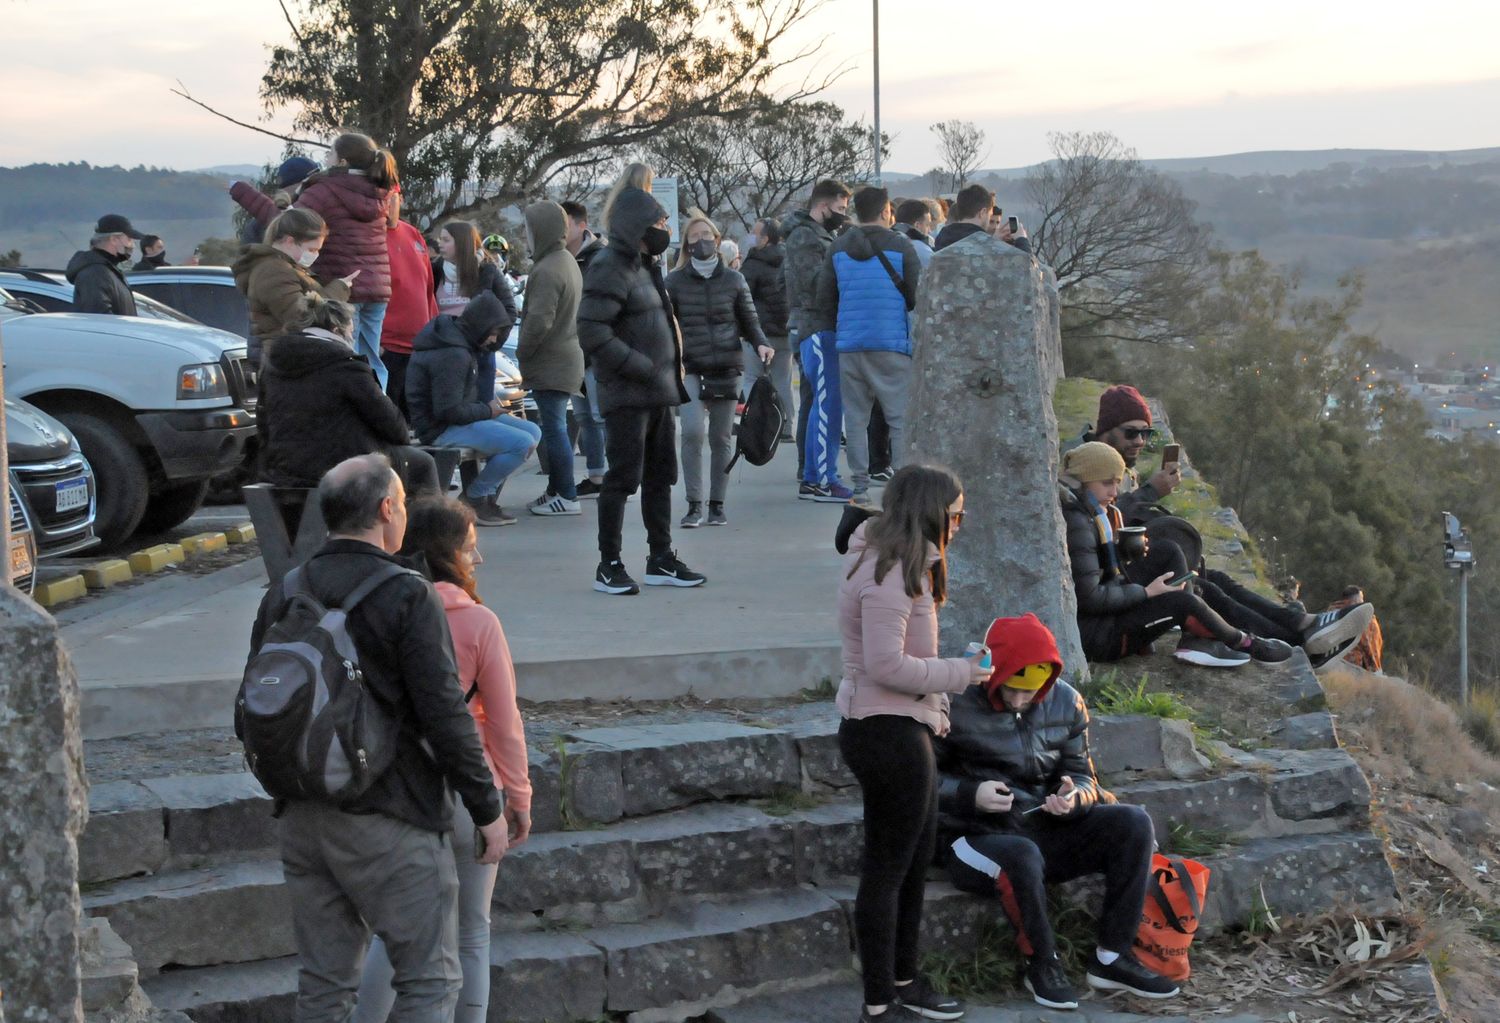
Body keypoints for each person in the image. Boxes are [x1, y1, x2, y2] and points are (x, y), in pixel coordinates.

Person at [249, 453, 507, 1020]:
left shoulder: (286, 590)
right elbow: (445, 714)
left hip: (303, 815)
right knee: (430, 981)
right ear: (388, 508)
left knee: (323, 985)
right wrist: (486, 807)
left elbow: (254, 704)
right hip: (390, 817)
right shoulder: (407, 593)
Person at [936, 613, 1181, 1010]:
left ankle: (1113, 957)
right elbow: (917, 781)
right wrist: (969, 793)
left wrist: (1073, 797)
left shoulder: (1067, 700)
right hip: (971, 836)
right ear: (993, 673)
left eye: (1030, 693)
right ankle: (1043, 964)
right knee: (1021, 854)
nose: (1018, 700)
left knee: (1133, 822)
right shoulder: (954, 701)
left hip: (1043, 825)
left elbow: (1085, 778)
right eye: (1011, 689)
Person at [353, 496, 532, 1023]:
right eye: (471, 548)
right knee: (472, 929)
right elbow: (503, 722)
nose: (478, 561)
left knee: (395, 928)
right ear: (450, 553)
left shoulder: (379, 607)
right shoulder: (478, 622)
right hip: (466, 791)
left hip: (392, 787)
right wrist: (517, 796)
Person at [838, 464, 993, 1023]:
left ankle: (904, 980)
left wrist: (939, 701)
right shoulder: (890, 574)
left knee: (910, 863)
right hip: (886, 734)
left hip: (906, 728)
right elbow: (885, 665)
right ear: (930, 511)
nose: (960, 522)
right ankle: (879, 1006)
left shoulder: (906, 565)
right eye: (956, 513)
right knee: (886, 869)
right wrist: (962, 674)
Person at [1085, 385, 1376, 663]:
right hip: (1115, 587)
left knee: (1213, 578)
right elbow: (1094, 519)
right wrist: (1151, 492)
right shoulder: (1088, 468)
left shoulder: (1118, 467)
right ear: (1105, 429)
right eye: (1131, 432)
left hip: (1123, 572)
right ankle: (1297, 640)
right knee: (1199, 584)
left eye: (1145, 433)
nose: (1139, 440)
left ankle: (1301, 625)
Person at [577, 186, 706, 595]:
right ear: (637, 226)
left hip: (658, 393)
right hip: (628, 394)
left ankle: (660, 557)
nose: (667, 229)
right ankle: (609, 564)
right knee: (621, 479)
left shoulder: (644, 265)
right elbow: (592, 330)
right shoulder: (608, 265)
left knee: (660, 477)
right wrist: (641, 367)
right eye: (660, 222)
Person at [1061, 441, 1278, 667]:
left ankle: (1195, 637)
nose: (1114, 493)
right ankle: (1245, 643)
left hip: (1109, 610)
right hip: (1102, 639)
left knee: (1168, 550)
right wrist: (1146, 592)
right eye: (1107, 483)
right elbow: (1089, 598)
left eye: (1117, 483)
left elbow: (1093, 566)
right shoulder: (1077, 524)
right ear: (1083, 481)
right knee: (1181, 601)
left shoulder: (1089, 512)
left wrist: (1120, 552)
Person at [232, 132, 397, 387]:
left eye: (330, 153)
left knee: (343, 359)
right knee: (371, 360)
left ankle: (352, 416)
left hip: (340, 286)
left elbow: (286, 222)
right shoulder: (379, 192)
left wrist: (242, 192)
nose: (326, 159)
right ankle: (378, 407)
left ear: (341, 161)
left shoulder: (325, 191)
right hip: (377, 287)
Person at [258, 295, 438, 494]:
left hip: (284, 466)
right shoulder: (346, 366)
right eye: (352, 331)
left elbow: (263, 421)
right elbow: (395, 428)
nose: (352, 337)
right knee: (423, 463)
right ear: (337, 331)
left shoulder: (273, 364)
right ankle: (423, 524)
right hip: (339, 463)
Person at [666, 214, 772, 528]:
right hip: (689, 367)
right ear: (687, 244)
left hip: (727, 365)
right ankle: (694, 504)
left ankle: (717, 504)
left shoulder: (734, 280)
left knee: (721, 437)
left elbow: (751, 320)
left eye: (706, 235)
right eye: (695, 237)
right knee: (693, 432)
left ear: (716, 238)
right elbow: (666, 325)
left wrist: (762, 344)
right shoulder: (673, 281)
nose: (702, 242)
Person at [814, 186, 920, 501]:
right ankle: (901, 485)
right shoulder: (902, 248)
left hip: (850, 345)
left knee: (856, 418)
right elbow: (917, 296)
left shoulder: (837, 248)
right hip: (891, 344)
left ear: (857, 212)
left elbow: (825, 300)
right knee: (899, 417)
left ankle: (859, 485)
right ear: (887, 211)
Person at [407, 292, 541, 526]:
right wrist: (487, 411)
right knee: (521, 443)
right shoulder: (453, 354)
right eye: (493, 333)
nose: (493, 340)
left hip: (457, 420)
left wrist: (486, 411)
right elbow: (448, 411)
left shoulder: (458, 344)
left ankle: (484, 494)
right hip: (440, 428)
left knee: (533, 431)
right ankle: (474, 498)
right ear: (481, 327)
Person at [783, 178, 854, 501]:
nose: (843, 214)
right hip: (817, 325)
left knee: (820, 405)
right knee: (827, 407)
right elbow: (812, 283)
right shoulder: (805, 237)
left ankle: (816, 476)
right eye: (840, 208)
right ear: (823, 206)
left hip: (822, 325)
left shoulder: (820, 235)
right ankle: (822, 479)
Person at [516, 200, 586, 517]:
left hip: (552, 361)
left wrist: (522, 351)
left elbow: (539, 321)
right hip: (566, 357)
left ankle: (566, 494)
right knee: (554, 426)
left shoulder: (547, 269)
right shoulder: (565, 260)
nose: (525, 235)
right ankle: (556, 490)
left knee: (555, 429)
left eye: (528, 229)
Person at [233, 208, 354, 369]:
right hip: (287, 364)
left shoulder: (283, 268)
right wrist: (338, 290)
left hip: (288, 360)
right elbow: (299, 317)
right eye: (312, 249)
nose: (315, 255)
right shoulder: (274, 270)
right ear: (289, 241)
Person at [432, 220, 519, 405]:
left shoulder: (487, 271)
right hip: (444, 357)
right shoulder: (434, 270)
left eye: (446, 240)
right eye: (440, 239)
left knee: (480, 414)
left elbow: (509, 311)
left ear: (462, 243)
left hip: (479, 360)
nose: (440, 244)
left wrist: (489, 343)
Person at [561, 199, 610, 496]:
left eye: (565, 223)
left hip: (594, 351)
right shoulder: (559, 257)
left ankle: (614, 476)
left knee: (599, 415)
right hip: (570, 350)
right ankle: (596, 476)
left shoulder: (599, 258)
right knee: (582, 417)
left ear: (582, 226)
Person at [379, 187, 439, 418]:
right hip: (388, 348)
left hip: (420, 347)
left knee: (417, 420)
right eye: (380, 200)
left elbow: (427, 288)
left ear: (400, 199)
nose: (386, 205)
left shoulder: (413, 234)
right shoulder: (370, 238)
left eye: (390, 199)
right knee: (390, 419)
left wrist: (433, 334)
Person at [739, 216, 793, 440]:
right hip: (785, 332)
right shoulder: (788, 259)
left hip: (760, 333)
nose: (752, 236)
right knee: (783, 380)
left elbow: (741, 298)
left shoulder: (752, 264)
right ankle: (786, 427)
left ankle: (757, 426)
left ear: (766, 238)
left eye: (755, 233)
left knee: (751, 378)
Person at [66, 214, 142, 315]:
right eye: (129, 239)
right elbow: (100, 319)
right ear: (114, 239)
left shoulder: (108, 270)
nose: (132, 245)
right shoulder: (95, 273)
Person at [237, 156, 319, 246]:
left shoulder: (322, 211)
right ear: (297, 184)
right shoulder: (260, 226)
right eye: (311, 183)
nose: (317, 187)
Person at [933, 184, 1031, 255]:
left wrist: (992, 240)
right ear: (982, 212)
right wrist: (1022, 240)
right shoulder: (986, 247)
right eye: (990, 214)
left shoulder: (941, 240)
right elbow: (1024, 270)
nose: (989, 220)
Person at [1326, 586, 1383, 672]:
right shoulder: (1365, 618)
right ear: (1355, 601)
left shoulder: (1329, 614)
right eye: (1362, 599)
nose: (1363, 602)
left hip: (1330, 663)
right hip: (1355, 666)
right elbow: (1369, 645)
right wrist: (1376, 669)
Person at [894, 199, 936, 269]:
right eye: (927, 225)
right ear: (917, 225)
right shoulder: (921, 249)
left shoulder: (887, 241)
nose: (929, 231)